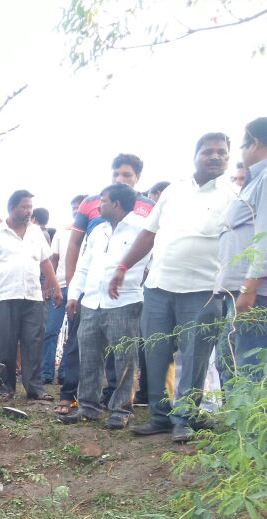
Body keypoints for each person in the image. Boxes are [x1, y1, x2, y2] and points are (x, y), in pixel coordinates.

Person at [109, 133, 236, 442]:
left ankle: (184, 419)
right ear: (196, 156)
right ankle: (159, 416)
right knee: (155, 352)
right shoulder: (173, 191)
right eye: (209, 151)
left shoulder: (234, 195)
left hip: (204, 291)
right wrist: (123, 266)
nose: (215, 157)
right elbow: (149, 233)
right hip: (158, 287)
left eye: (222, 152)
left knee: (195, 357)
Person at [57, 153, 157, 415]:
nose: (97, 207)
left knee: (124, 360)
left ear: (116, 204)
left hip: (124, 302)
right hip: (91, 302)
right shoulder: (98, 230)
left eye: (103, 202)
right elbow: (84, 266)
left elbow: (149, 263)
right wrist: (73, 295)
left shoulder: (141, 230)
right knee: (89, 358)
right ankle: (87, 407)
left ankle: (121, 410)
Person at [0, 190, 63, 401]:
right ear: (11, 208)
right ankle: (6, 387)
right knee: (6, 344)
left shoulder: (36, 233)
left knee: (33, 343)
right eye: (23, 207)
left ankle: (35, 388)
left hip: (33, 297)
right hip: (4, 297)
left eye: (30, 208)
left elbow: (45, 262)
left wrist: (56, 288)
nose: (28, 211)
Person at [216, 117, 267, 381]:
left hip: (256, 294)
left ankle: (250, 423)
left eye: (243, 146)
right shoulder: (255, 180)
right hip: (246, 290)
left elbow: (264, 237)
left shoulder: (265, 177)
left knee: (249, 368)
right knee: (236, 361)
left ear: (255, 143)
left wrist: (249, 289)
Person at [42, 195, 86, 384]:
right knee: (51, 330)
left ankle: (66, 374)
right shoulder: (62, 232)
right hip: (60, 287)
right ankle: (46, 373)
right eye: (74, 208)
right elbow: (53, 260)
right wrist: (48, 287)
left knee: (76, 333)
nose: (76, 211)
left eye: (80, 207)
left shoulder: (95, 231)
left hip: (83, 289)